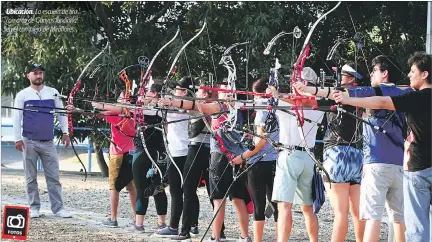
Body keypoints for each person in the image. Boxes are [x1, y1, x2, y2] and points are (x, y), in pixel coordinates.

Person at [296, 57, 412, 241]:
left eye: (343, 75)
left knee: (350, 215)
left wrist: (305, 89)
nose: (372, 73)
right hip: (380, 160)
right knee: (394, 217)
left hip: (351, 157)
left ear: (384, 73)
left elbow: (324, 98)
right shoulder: (405, 94)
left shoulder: (367, 93)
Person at [333, 52, 431, 242]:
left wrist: (347, 99)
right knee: (402, 219)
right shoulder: (408, 94)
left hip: (413, 167)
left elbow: (381, 101)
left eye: (412, 71)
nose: (409, 75)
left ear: (425, 74)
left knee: (409, 223)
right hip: (401, 166)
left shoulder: (415, 97)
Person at [158, 79, 252, 242]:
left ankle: (215, 236)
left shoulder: (221, 106)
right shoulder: (241, 107)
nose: (219, 93)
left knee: (217, 198)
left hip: (220, 156)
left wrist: (174, 101)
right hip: (238, 157)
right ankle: (245, 236)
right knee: (237, 198)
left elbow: (198, 107)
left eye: (222, 90)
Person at [293, 63, 365, 242]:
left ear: (351, 78)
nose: (340, 78)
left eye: (343, 75)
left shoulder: (340, 93)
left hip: (337, 155)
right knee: (358, 213)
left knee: (340, 213)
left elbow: (313, 98)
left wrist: (302, 89)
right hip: (356, 155)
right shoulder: (364, 95)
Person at [266, 68, 324, 242]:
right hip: (308, 158)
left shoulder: (289, 102)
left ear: (303, 84)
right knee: (308, 209)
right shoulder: (319, 104)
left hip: (290, 156)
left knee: (285, 207)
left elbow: (291, 101)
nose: (293, 86)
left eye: (296, 82)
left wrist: (275, 93)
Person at [13, 63, 72, 218]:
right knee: (30, 177)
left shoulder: (52, 93)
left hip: (48, 142)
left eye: (40, 73)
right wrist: (17, 139)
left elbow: (61, 113)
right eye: (35, 73)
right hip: (29, 141)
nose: (39, 76)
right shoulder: (22, 95)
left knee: (53, 176)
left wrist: (65, 132)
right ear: (28, 75)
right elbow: (16, 118)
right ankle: (34, 208)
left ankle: (58, 208)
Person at [171, 83, 226, 241]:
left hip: (203, 150)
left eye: (199, 91)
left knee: (210, 192)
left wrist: (175, 101)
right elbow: (182, 104)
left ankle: (194, 230)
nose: (195, 93)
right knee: (190, 190)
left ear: (206, 94)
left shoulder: (212, 106)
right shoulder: (197, 104)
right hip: (202, 149)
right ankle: (189, 228)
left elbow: (184, 103)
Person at [230, 78, 279, 242]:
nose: (253, 98)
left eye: (255, 94)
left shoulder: (262, 112)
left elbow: (260, 143)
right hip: (275, 162)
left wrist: (242, 157)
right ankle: (280, 237)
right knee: (275, 204)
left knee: (259, 205)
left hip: (258, 164)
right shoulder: (279, 107)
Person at [90, 92, 137, 228]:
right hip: (131, 152)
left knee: (113, 186)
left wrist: (93, 106)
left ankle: (113, 218)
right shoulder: (136, 113)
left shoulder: (116, 112)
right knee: (131, 187)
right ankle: (137, 218)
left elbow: (96, 113)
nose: (118, 100)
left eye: (121, 98)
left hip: (116, 152)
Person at [154, 77, 193, 237]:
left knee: (182, 191)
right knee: (175, 190)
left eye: (178, 89)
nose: (175, 92)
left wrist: (167, 103)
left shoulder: (189, 103)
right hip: (174, 151)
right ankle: (175, 226)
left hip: (184, 152)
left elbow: (182, 110)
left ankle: (178, 226)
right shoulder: (175, 103)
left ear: (184, 91)